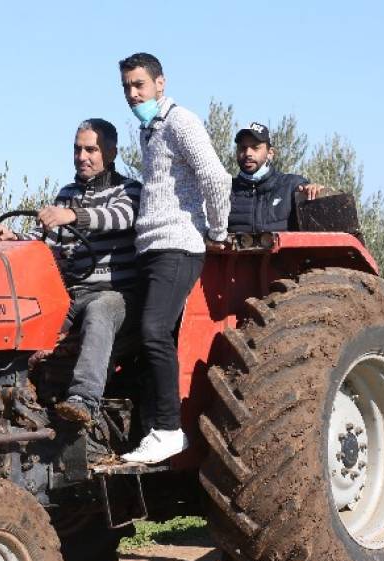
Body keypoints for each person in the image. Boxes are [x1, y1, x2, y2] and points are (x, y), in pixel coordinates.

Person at [116, 52, 231, 465]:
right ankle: (150, 428)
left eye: (139, 85)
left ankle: (168, 430)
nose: (133, 94)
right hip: (150, 247)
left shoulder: (181, 121)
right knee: (139, 336)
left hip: (178, 244)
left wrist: (216, 231)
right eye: (127, 87)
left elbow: (215, 176)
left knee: (154, 330)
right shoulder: (149, 129)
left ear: (160, 84)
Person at [0, 118, 141, 424]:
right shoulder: (68, 192)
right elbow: (48, 238)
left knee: (100, 311)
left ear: (111, 152)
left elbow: (119, 217)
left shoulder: (130, 190)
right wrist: (15, 240)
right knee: (29, 314)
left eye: (91, 149)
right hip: (73, 293)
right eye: (77, 149)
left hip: (117, 295)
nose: (82, 156)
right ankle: (10, 395)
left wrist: (72, 215)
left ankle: (84, 400)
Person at [229, 122, 325, 233]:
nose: (247, 153)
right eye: (242, 148)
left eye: (255, 147)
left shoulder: (291, 186)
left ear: (270, 153)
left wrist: (316, 191)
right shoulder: (225, 191)